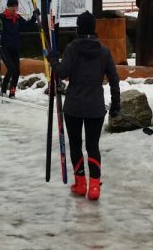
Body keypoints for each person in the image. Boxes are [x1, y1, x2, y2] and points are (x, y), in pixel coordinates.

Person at [50, 11, 121, 201]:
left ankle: (81, 184)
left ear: (79, 28)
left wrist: (53, 60)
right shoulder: (104, 51)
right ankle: (95, 187)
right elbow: (114, 80)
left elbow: (62, 72)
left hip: (74, 106)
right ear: (94, 28)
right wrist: (116, 104)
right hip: (95, 107)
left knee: (75, 145)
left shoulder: (73, 48)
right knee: (93, 145)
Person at [0, 0, 39, 98]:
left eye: (16, 7)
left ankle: (12, 92)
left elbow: (26, 26)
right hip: (4, 48)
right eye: (13, 7)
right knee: (11, 69)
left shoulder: (17, 18)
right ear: (8, 7)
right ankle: (3, 90)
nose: (15, 9)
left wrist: (34, 17)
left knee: (17, 71)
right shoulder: (1, 17)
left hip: (14, 48)